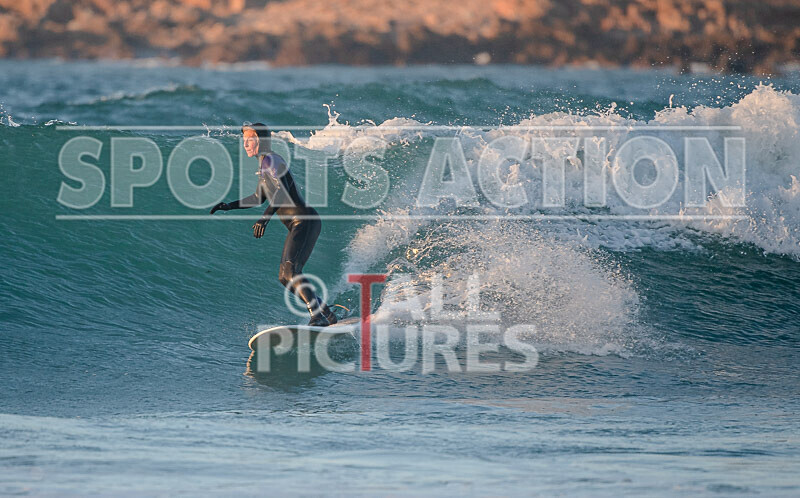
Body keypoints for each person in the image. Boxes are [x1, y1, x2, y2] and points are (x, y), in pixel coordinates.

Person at [210, 123, 337, 327]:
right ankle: (325, 312)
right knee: (285, 277)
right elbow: (258, 197)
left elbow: (281, 191)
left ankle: (317, 316)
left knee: (291, 271)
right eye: (244, 140)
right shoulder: (264, 164)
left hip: (304, 220)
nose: (245, 144)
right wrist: (228, 206)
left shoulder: (271, 160)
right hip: (298, 224)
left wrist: (265, 218)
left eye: (250, 140)